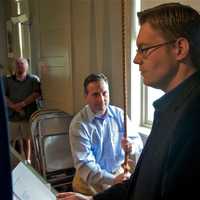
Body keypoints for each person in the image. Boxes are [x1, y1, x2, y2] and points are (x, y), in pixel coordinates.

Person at [57, 2, 200, 200]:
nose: (136, 59)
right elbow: (139, 184)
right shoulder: (169, 108)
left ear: (179, 48)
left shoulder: (193, 118)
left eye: (144, 49)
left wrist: (131, 148)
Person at [69, 73, 143, 195]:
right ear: (86, 97)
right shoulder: (79, 124)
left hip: (117, 173)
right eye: (95, 95)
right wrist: (112, 180)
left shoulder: (119, 114)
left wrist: (132, 146)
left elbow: (138, 141)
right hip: (89, 181)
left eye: (104, 93)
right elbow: (85, 164)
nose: (101, 99)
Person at [4, 57, 41, 164]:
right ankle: (12, 163)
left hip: (27, 116)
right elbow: (3, 95)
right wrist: (13, 106)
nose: (20, 65)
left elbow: (36, 94)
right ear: (14, 66)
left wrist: (22, 104)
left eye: (22, 63)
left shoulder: (33, 79)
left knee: (27, 139)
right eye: (17, 63)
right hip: (12, 116)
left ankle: (27, 161)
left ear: (27, 66)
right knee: (10, 140)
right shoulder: (7, 80)